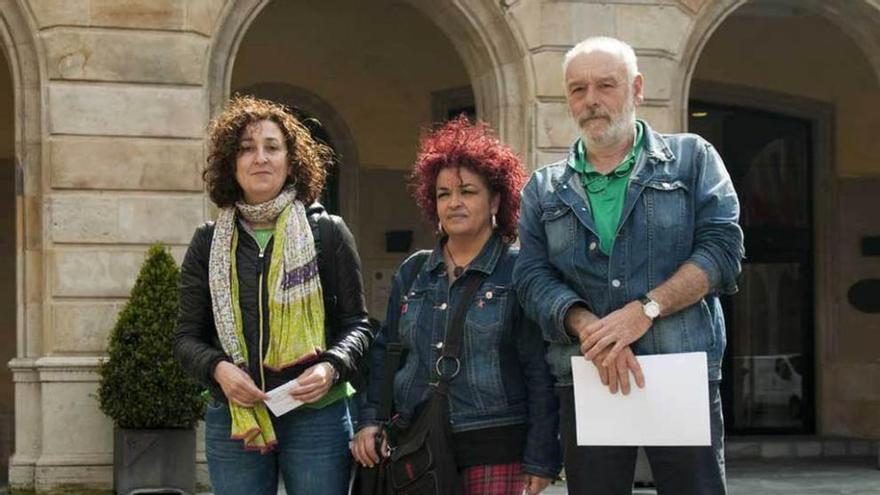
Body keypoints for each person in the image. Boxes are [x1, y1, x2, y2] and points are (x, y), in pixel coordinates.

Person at [513, 37, 744, 495]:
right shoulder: (543, 189)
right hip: (589, 373)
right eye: (578, 89)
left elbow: (722, 249)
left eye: (606, 85)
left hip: (679, 369)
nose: (591, 100)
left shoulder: (692, 159)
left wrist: (645, 311)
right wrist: (589, 328)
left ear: (637, 89)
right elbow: (531, 277)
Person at [352, 117, 561, 495]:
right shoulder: (414, 270)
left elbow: (538, 370)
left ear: (496, 199)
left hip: (496, 448)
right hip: (417, 446)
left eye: (468, 191)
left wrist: (541, 456)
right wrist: (370, 420)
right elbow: (386, 353)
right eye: (443, 194)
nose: (454, 203)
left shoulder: (519, 270)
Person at [174, 95, 371, 495]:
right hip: (236, 414)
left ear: (290, 160)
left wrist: (330, 367)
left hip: (316, 414)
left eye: (272, 147)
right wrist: (219, 369)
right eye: (247, 149)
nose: (260, 158)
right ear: (232, 163)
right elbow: (185, 337)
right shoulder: (208, 242)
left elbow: (359, 327)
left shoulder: (327, 232)